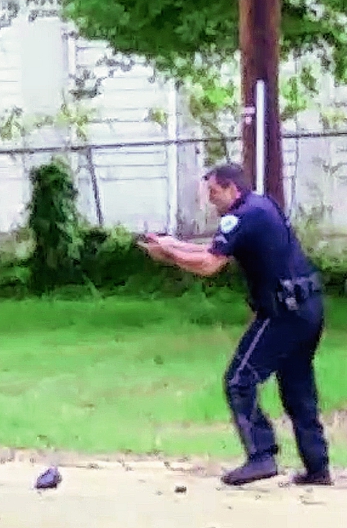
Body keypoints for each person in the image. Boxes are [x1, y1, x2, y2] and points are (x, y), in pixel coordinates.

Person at [138, 163, 332, 487]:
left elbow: (209, 264)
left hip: (284, 312)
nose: (211, 200)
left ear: (232, 189)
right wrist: (171, 245)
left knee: (238, 380)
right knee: (298, 388)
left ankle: (262, 455)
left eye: (214, 192)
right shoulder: (261, 205)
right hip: (308, 307)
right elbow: (212, 251)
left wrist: (170, 255)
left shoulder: (241, 216)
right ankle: (317, 467)